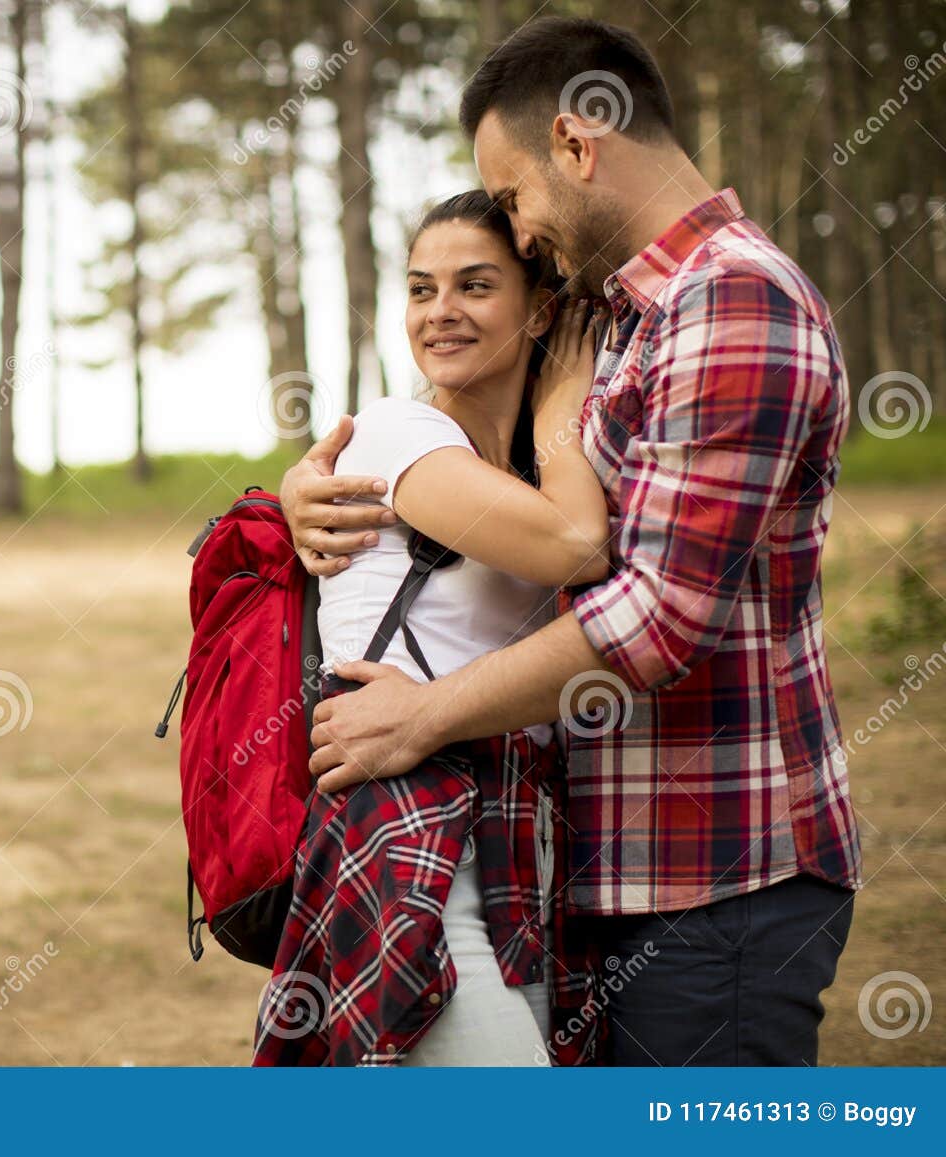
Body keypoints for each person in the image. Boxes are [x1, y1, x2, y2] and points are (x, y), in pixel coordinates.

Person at [285, 16, 860, 1067]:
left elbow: (653, 619)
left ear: (577, 144)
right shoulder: (629, 315)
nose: (520, 226)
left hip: (717, 874)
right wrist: (305, 491)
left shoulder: (731, 299)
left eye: (513, 198)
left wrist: (422, 715)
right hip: (603, 874)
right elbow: (484, 470)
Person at [253, 190, 608, 1066]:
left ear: (542, 309)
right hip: (412, 830)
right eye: (421, 288)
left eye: (475, 286)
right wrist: (564, 394)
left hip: (515, 839)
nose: (440, 312)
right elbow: (574, 546)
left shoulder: (526, 467)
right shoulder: (394, 431)